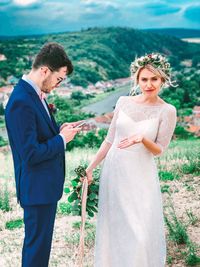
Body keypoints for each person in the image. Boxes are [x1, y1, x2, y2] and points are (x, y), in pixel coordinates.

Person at [85, 53, 177, 266]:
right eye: (144, 79)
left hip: (141, 174)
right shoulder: (122, 101)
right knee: (116, 227)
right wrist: (90, 169)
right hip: (115, 171)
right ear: (137, 79)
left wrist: (142, 139)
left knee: (140, 232)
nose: (149, 84)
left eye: (154, 79)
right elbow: (108, 141)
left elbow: (159, 149)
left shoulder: (167, 110)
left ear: (163, 79)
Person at [5, 42, 81, 267]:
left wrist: (58, 131)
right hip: (36, 189)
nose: (58, 85)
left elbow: (37, 137)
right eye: (59, 79)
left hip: (43, 189)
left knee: (40, 249)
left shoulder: (33, 95)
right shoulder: (21, 101)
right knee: (36, 250)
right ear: (45, 71)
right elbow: (30, 154)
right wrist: (62, 140)